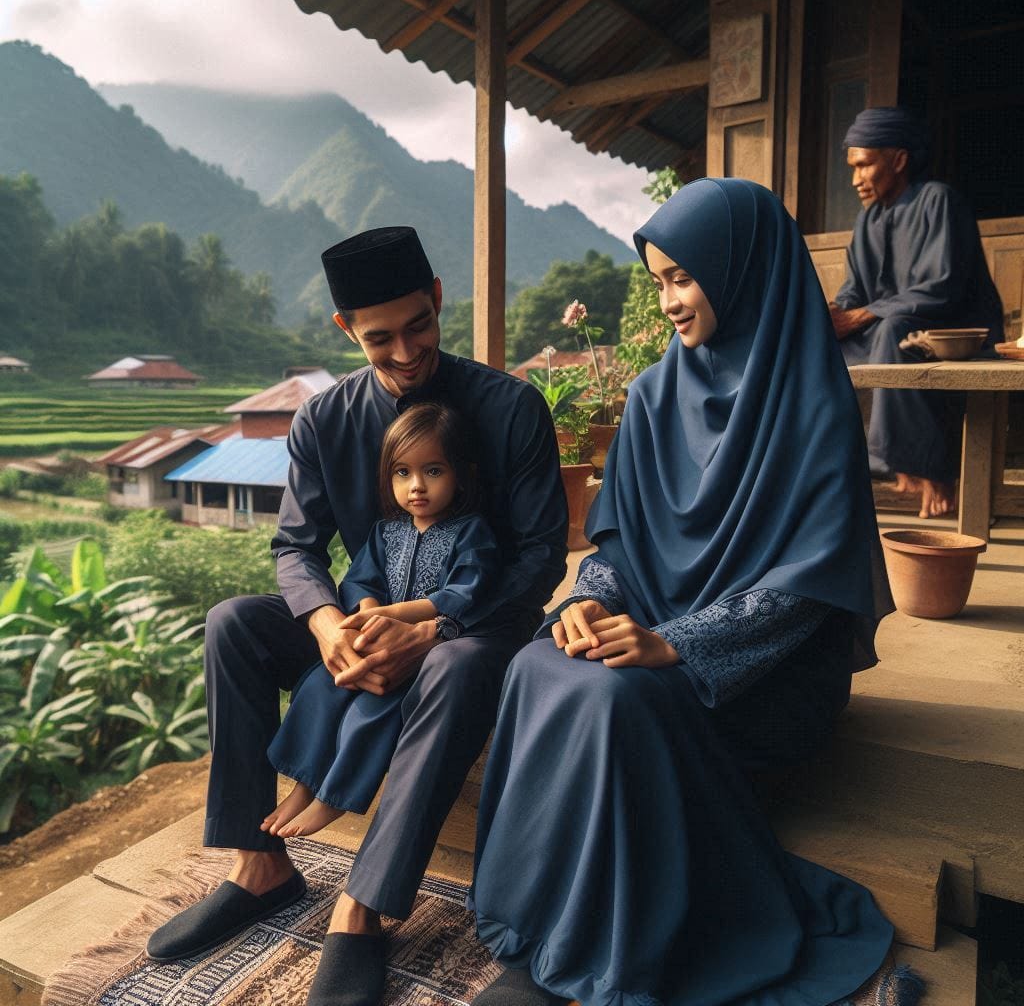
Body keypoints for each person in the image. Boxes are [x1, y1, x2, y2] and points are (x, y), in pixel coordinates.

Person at [468, 178, 899, 1006]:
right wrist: (591, 600)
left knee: (615, 701)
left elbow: (808, 587)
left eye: (683, 278)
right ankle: (539, 924)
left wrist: (682, 643)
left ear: (744, 272)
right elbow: (620, 544)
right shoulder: (659, 393)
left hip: (764, 679)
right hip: (660, 636)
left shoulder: (812, 403)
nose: (667, 301)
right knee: (536, 665)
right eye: (659, 280)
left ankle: (594, 955)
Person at [146, 226, 568, 1006]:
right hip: (364, 623)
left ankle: (362, 907)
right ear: (346, 330)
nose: (406, 352)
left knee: (453, 660)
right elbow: (296, 550)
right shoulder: (323, 420)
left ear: (438, 299)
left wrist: (433, 628)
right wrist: (328, 627)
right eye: (380, 339)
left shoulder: (511, 408)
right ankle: (260, 865)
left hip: (477, 631)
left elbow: (542, 557)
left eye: (419, 326)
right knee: (233, 623)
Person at [262, 401, 500, 839]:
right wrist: (370, 613)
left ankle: (334, 797)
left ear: (461, 473)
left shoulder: (472, 532)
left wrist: (394, 618)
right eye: (402, 473)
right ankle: (303, 784)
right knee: (319, 685)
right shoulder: (385, 532)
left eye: (433, 471)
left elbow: (462, 594)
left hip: (422, 654)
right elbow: (359, 582)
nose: (416, 487)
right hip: (375, 638)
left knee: (373, 711)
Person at [830, 106, 1003, 519]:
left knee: (893, 329)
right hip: (891, 330)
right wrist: (829, 316)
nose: (855, 179)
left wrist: (860, 315)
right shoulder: (867, 222)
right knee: (828, 349)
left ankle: (930, 471)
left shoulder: (937, 201)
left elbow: (942, 287)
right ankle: (854, 468)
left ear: (900, 160)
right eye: (852, 168)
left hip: (952, 331)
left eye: (864, 165)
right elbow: (853, 294)